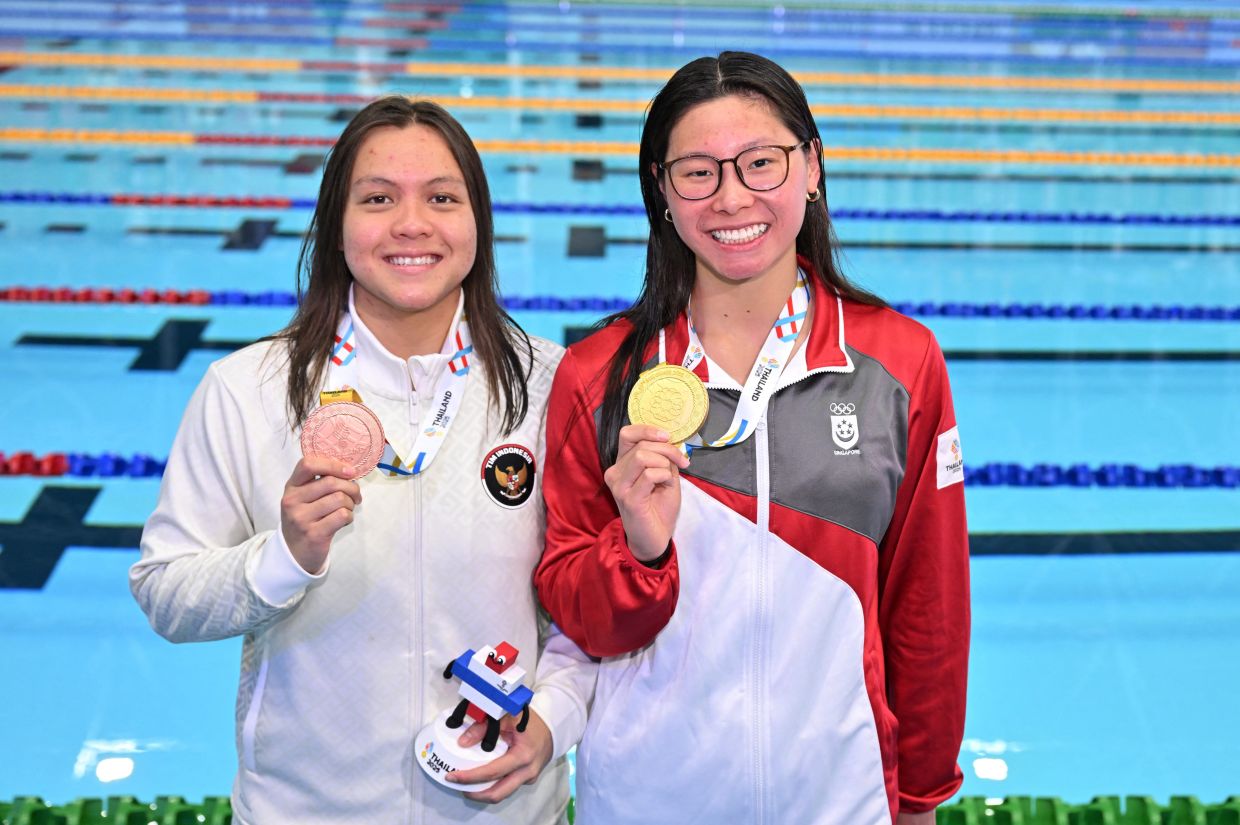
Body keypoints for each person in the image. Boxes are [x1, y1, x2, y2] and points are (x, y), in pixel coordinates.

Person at [131, 97, 592, 825]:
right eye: (378, 198)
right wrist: (284, 556)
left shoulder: (550, 384)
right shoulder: (248, 390)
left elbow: (588, 597)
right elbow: (165, 590)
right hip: (304, 810)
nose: (412, 224)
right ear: (335, 225)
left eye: (442, 197)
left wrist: (556, 719)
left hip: (501, 809)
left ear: (478, 220)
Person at [535, 52, 969, 825]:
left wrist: (921, 795)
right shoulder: (599, 374)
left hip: (841, 799)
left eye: (761, 163)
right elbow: (581, 618)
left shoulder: (899, 362)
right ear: (662, 192)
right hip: (647, 801)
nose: (732, 196)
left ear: (811, 167)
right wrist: (637, 550)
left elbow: (927, 602)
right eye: (698, 172)